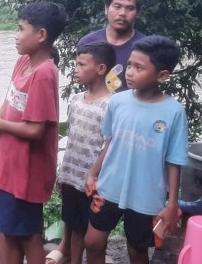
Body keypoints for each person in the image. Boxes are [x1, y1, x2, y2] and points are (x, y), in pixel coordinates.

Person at [83, 35, 188, 264]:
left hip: (146, 195)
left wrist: (172, 205)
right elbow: (110, 141)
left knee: (137, 250)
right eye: (129, 64)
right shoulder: (117, 101)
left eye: (139, 67)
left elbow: (174, 161)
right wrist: (93, 172)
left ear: (162, 75)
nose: (129, 72)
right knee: (92, 242)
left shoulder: (174, 111)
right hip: (109, 186)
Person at [0, 2, 68, 264]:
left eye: (21, 29)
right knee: (6, 228)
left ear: (41, 35)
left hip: (27, 173)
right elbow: (5, 110)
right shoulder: (22, 63)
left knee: (27, 235)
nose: (16, 35)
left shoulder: (44, 74)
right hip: (10, 167)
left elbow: (35, 130)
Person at [45, 41, 116, 264]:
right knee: (74, 227)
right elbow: (73, 140)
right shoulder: (76, 100)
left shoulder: (110, 105)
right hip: (72, 178)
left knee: (92, 232)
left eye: (81, 64)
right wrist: (62, 174)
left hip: (93, 183)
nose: (75, 69)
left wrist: (94, 174)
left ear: (101, 69)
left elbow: (109, 144)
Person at [78, 0, 146, 92]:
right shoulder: (87, 43)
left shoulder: (145, 47)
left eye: (130, 8)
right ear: (106, 8)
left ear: (138, 13)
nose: (122, 13)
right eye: (117, 6)